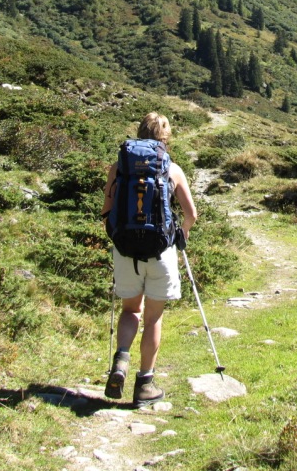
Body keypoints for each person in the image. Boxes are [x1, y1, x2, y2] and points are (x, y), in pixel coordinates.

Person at [103, 112, 198, 406]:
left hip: (126, 250)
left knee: (131, 310)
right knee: (153, 317)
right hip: (160, 251)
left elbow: (106, 210)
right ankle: (145, 384)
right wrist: (182, 232)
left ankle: (121, 360)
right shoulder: (172, 168)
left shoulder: (119, 167)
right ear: (166, 137)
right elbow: (191, 214)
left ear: (139, 132)